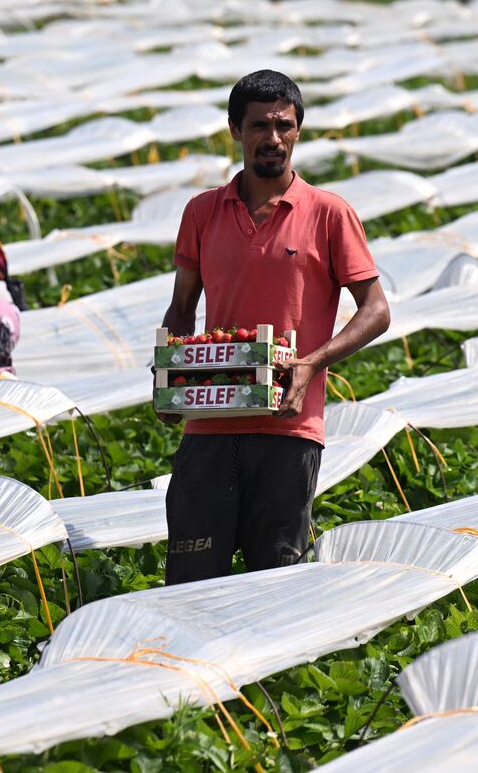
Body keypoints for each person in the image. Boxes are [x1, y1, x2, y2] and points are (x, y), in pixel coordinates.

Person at [158, 69, 391, 584]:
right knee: (191, 576)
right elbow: (181, 307)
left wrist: (311, 363)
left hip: (290, 428)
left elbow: (376, 310)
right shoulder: (201, 212)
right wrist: (170, 381)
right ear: (235, 131)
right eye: (260, 125)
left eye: (285, 125)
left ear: (299, 131)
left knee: (278, 577)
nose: (274, 138)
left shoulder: (329, 214)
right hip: (211, 423)